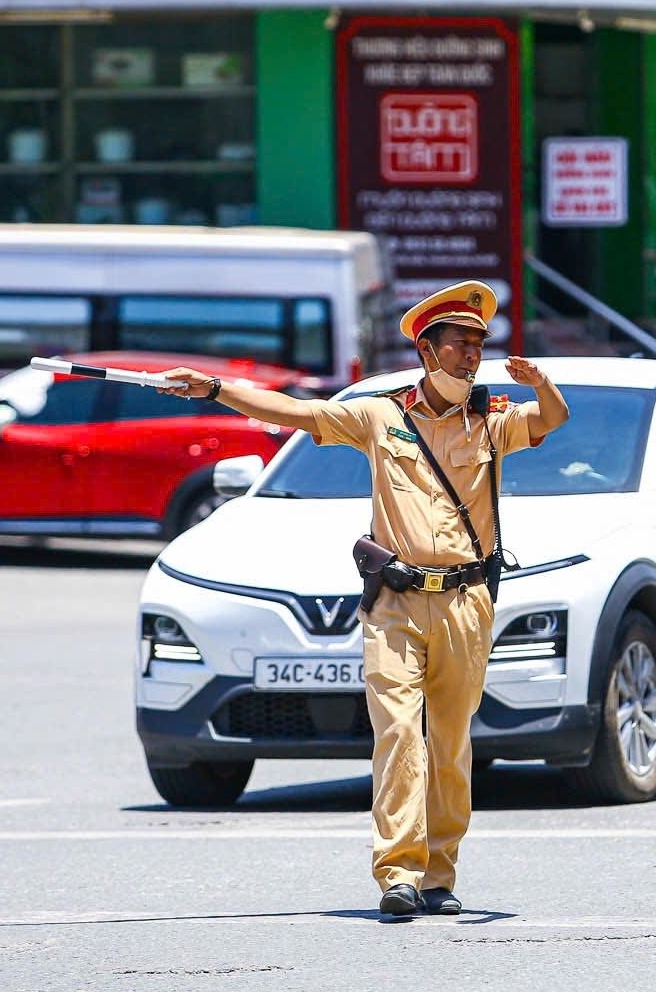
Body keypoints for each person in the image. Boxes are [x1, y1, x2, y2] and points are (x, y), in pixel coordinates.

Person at [159, 281, 569, 915]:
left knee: (451, 742)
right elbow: (293, 411)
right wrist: (215, 389)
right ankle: (399, 873)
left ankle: (440, 874)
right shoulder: (381, 416)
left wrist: (541, 384)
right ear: (428, 350)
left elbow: (551, 421)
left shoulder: (491, 419)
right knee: (399, 733)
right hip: (395, 603)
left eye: (479, 344)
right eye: (461, 343)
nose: (473, 355)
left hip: (466, 602)